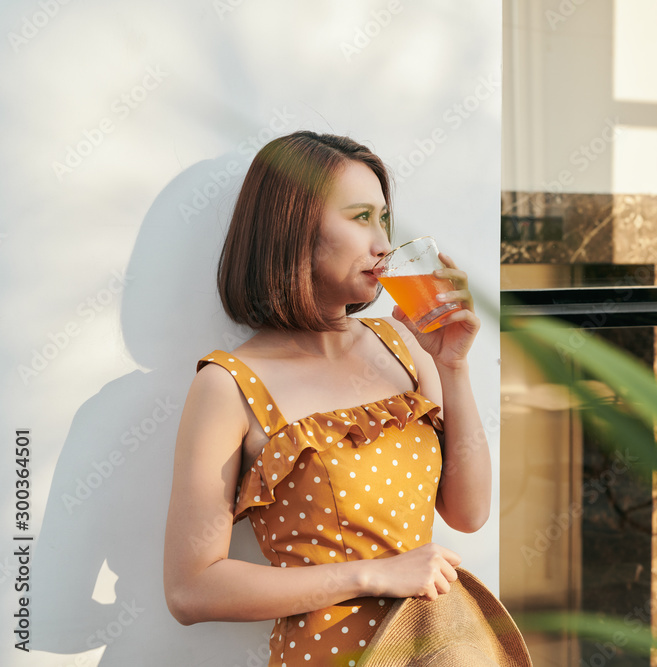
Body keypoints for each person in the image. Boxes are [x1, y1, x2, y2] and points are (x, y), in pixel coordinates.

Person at [163, 131, 491, 665]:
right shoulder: (229, 384)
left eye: (383, 218)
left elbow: (469, 513)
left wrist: (453, 367)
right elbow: (190, 589)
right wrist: (372, 574)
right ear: (292, 230)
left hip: (435, 649)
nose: (382, 242)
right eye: (360, 217)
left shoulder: (405, 346)